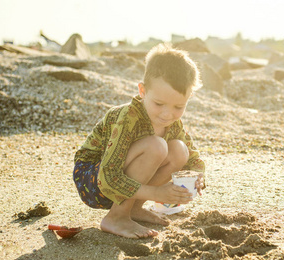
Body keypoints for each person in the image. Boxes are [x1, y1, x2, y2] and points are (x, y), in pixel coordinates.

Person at [73, 43, 205, 239]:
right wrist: (157, 194)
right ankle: (116, 217)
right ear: (143, 91)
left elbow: (192, 159)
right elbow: (107, 176)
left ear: (189, 98)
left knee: (179, 150)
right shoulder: (128, 118)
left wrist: (198, 176)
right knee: (156, 146)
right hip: (93, 179)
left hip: (119, 182)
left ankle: (133, 208)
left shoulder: (173, 124)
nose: (168, 114)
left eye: (178, 106)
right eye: (159, 104)